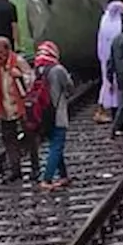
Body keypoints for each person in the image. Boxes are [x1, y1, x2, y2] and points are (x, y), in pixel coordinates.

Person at [0, 37, 38, 183]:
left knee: (30, 136)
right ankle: (15, 169)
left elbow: (31, 79)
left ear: (8, 50)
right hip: (4, 107)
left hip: (21, 106)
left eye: (1, 52)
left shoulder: (18, 61)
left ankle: (35, 168)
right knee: (9, 138)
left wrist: (20, 76)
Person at [34, 41, 73, 192]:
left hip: (43, 115)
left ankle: (63, 176)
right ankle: (47, 179)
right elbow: (70, 87)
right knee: (56, 146)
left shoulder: (37, 70)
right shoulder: (58, 69)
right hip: (58, 114)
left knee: (56, 146)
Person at [95, 0, 123, 124]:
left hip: (106, 58)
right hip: (119, 58)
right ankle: (112, 112)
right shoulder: (122, 19)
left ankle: (109, 112)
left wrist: (101, 56)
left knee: (108, 84)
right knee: (117, 85)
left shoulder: (105, 19)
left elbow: (100, 41)